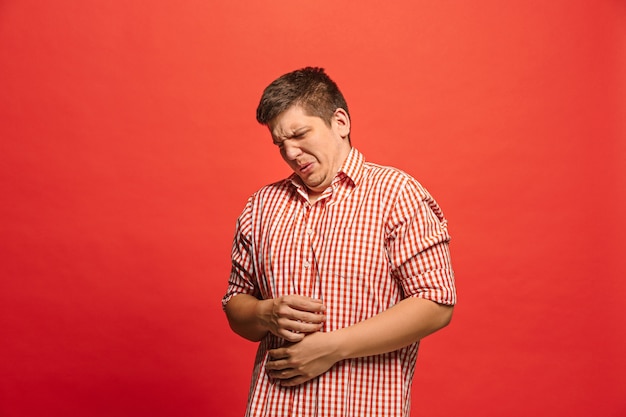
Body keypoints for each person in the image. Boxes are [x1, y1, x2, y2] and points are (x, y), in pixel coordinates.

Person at [222, 67, 456, 417]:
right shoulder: (261, 206)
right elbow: (235, 302)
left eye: (300, 134)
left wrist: (332, 347)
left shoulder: (397, 195)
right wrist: (263, 313)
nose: (291, 152)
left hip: (364, 407)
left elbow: (437, 303)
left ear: (340, 122)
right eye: (280, 143)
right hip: (272, 407)